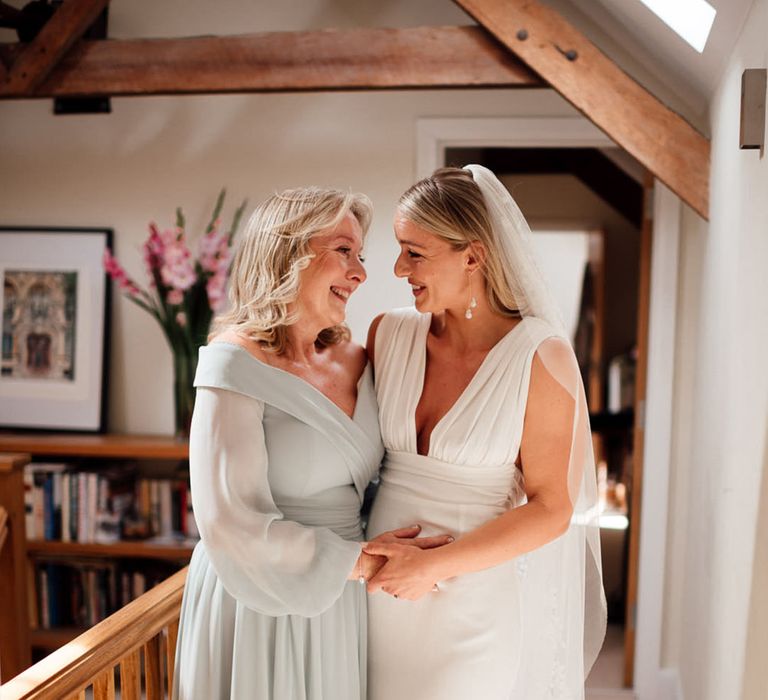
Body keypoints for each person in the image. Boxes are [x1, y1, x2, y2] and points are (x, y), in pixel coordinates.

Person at [172, 186, 451, 700]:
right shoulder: (233, 363)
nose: (361, 273)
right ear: (287, 252)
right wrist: (362, 563)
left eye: (360, 255)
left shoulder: (360, 360)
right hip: (257, 593)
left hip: (340, 600)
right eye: (343, 251)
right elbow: (227, 521)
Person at [363, 166, 606, 699]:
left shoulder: (539, 356)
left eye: (415, 252)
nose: (399, 266)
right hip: (375, 601)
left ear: (472, 256)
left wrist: (430, 567)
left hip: (470, 608)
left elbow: (551, 508)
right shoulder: (388, 334)